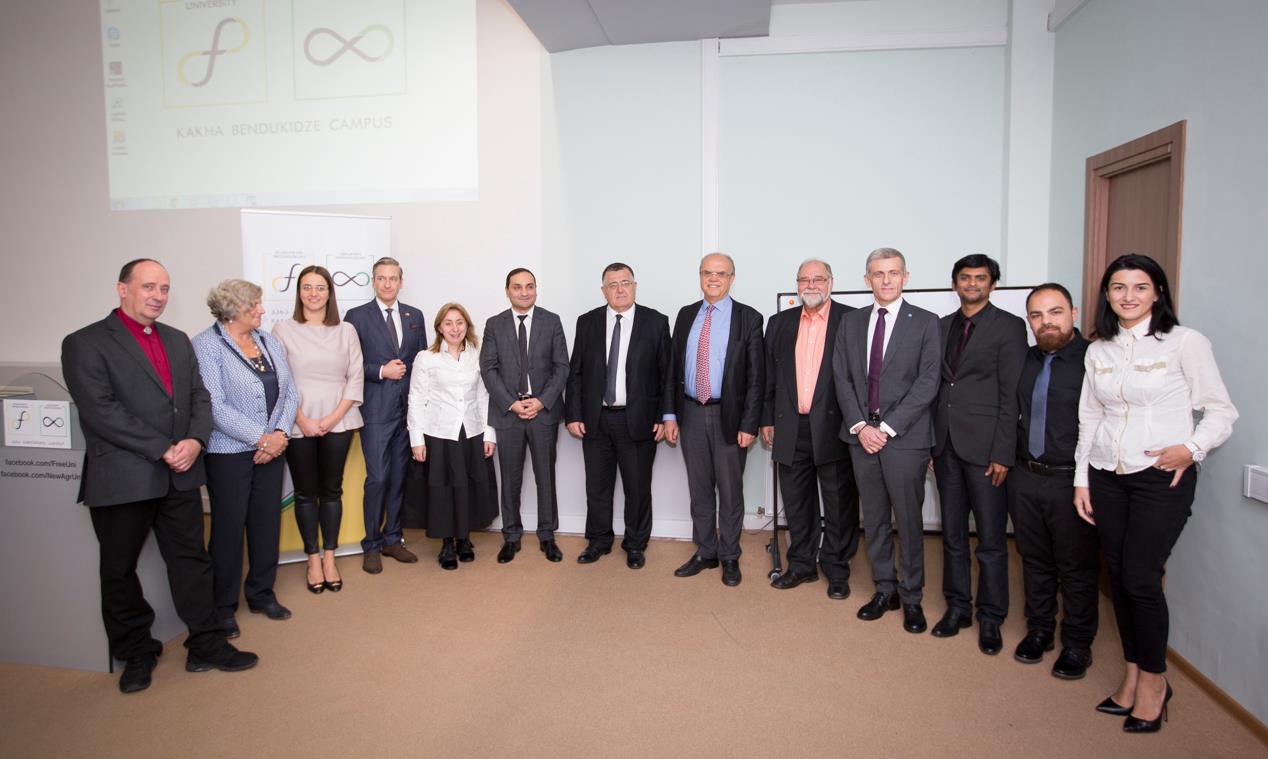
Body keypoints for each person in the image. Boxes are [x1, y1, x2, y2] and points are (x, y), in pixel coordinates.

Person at [62, 259, 258, 693]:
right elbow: (100, 410)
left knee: (192, 561)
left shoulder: (176, 340)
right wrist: (162, 448)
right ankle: (136, 652)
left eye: (165, 289)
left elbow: (200, 397)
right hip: (124, 475)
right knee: (119, 570)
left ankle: (206, 642)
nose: (158, 296)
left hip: (181, 473)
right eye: (149, 287)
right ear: (123, 289)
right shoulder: (85, 343)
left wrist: (195, 441)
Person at [1074, 254, 1237, 733]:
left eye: (1140, 287)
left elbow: (1221, 411)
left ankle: (1154, 683)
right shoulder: (1098, 350)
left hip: (1160, 477)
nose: (1128, 296)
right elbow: (1090, 417)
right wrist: (1081, 478)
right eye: (1118, 287)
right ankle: (1131, 676)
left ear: (1157, 293)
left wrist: (1191, 448)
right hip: (1106, 474)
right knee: (1120, 575)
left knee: (1141, 579)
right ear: (1107, 294)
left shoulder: (1185, 342)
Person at [833, 248, 940, 633]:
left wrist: (888, 427)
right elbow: (842, 377)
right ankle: (885, 589)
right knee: (875, 518)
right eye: (878, 274)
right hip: (861, 437)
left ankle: (912, 597)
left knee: (908, 521)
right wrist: (861, 426)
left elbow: (928, 382)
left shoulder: (926, 323)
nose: (886, 280)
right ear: (867, 280)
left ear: (905, 277)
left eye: (893, 272)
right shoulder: (851, 322)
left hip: (905, 439)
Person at [930, 254, 1027, 654]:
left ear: (992, 284)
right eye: (965, 278)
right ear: (955, 284)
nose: (972, 284)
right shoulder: (941, 326)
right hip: (945, 446)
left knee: (990, 538)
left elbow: (1011, 395)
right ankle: (958, 607)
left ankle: (991, 616)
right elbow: (937, 387)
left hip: (987, 450)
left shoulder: (1010, 327)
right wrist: (931, 443)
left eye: (980, 278)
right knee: (952, 534)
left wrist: (1003, 452)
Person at [193, 279, 299, 637]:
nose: (261, 310)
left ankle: (261, 593)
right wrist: (262, 439)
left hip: (273, 449)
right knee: (227, 529)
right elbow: (214, 405)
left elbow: (290, 392)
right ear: (232, 308)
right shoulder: (206, 345)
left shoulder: (268, 341)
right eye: (254, 305)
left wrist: (280, 435)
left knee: (266, 523)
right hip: (229, 453)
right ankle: (223, 606)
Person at [1008, 283, 1099, 679]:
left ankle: (1077, 644)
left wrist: (1087, 481)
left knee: (1076, 567)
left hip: (1072, 481)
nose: (1046, 322)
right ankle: (1040, 629)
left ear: (1073, 314)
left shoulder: (1094, 360)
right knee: (1034, 560)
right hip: (1026, 476)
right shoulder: (1025, 360)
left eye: (1055, 312)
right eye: (1037, 315)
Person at [759, 258, 860, 598]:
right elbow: (769, 377)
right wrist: (766, 418)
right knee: (797, 501)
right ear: (797, 284)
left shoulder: (852, 320)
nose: (811, 285)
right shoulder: (780, 323)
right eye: (805, 279)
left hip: (835, 426)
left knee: (839, 502)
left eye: (819, 278)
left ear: (831, 282)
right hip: (790, 427)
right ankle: (802, 564)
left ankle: (836, 567)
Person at [565, 263, 673, 570]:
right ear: (604, 291)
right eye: (612, 285)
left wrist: (663, 415)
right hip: (596, 419)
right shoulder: (587, 322)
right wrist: (573, 413)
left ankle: (635, 543)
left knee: (637, 488)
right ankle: (598, 541)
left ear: (635, 286)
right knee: (597, 486)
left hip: (639, 420)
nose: (620, 289)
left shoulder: (655, 322)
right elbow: (576, 371)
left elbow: (666, 374)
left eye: (625, 282)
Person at [666, 252, 765, 587]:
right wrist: (669, 414)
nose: (713, 279)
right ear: (700, 276)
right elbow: (673, 369)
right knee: (699, 489)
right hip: (691, 412)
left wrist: (749, 424)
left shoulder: (749, 318)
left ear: (732, 278)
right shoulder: (685, 315)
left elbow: (756, 378)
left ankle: (730, 555)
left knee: (730, 490)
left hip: (730, 415)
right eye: (707, 272)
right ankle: (706, 550)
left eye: (721, 274)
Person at [271, 265, 364, 594]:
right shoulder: (283, 329)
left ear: (329, 292)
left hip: (340, 420)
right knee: (305, 493)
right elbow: (280, 380)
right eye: (307, 287)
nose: (314, 294)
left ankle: (329, 558)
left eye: (320, 287)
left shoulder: (346, 330)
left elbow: (355, 377)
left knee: (332, 491)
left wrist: (332, 418)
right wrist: (302, 419)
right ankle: (312, 559)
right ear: (299, 293)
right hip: (298, 422)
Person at [480, 268, 570, 564]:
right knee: (510, 479)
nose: (524, 292)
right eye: (517, 287)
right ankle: (511, 536)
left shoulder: (551, 321)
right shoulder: (494, 324)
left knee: (545, 476)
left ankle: (547, 535)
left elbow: (562, 367)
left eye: (529, 286)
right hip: (508, 414)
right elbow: (488, 368)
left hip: (543, 413)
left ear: (536, 289)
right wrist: (511, 403)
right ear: (507, 291)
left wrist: (541, 402)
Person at [344, 257, 428, 574]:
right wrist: (381, 370)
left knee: (397, 478)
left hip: (407, 412)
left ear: (401, 282)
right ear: (373, 281)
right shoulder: (356, 317)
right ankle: (371, 544)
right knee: (378, 478)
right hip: (376, 411)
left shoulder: (414, 315)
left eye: (393, 278)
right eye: (382, 278)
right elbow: (348, 364)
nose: (388, 283)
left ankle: (393, 538)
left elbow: (422, 362)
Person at [407, 303, 499, 569]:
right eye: (448, 323)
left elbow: (484, 397)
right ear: (439, 328)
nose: (455, 328)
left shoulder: (477, 356)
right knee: (443, 489)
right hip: (439, 433)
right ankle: (447, 544)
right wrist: (416, 440)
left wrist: (489, 434)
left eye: (460, 322)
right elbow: (416, 399)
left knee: (468, 486)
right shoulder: (426, 358)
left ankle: (464, 539)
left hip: (471, 431)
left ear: (467, 326)